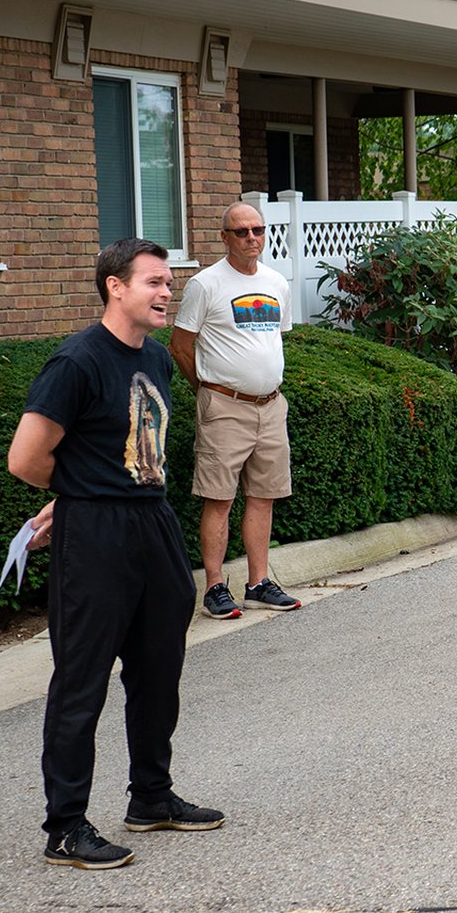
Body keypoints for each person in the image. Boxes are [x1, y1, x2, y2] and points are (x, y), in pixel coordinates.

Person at [8, 238, 225, 870]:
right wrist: (75, 493)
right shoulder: (75, 361)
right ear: (116, 287)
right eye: (154, 282)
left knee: (158, 670)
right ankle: (65, 827)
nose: (167, 292)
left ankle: (151, 797)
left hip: (152, 524)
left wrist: (87, 480)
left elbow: (127, 445)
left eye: (169, 282)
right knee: (81, 682)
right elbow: (26, 458)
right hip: (96, 536)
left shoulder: (155, 360)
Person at [170, 202, 301, 618]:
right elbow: (179, 345)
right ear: (224, 237)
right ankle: (214, 587)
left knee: (264, 496)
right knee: (219, 498)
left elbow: (275, 339)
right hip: (224, 406)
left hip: (271, 406)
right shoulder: (206, 284)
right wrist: (207, 391)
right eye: (241, 231)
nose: (251, 238)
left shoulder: (277, 282)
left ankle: (258, 583)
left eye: (257, 230)